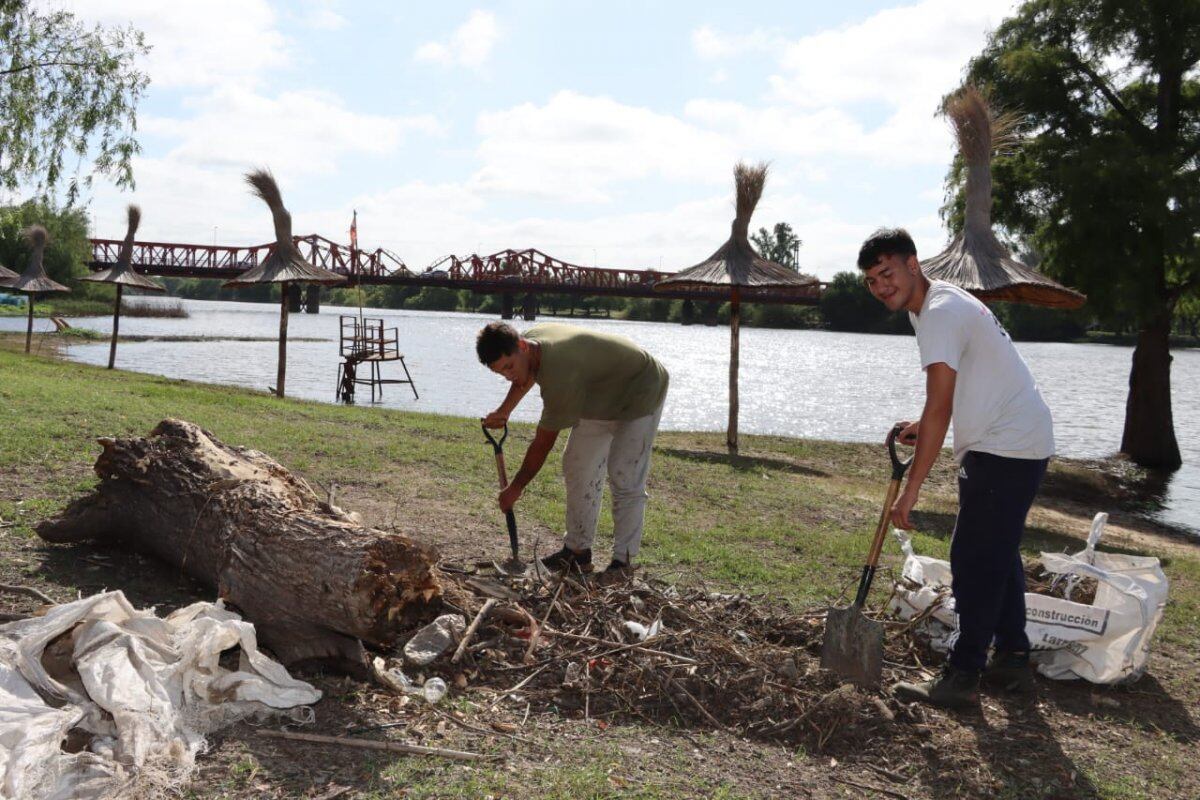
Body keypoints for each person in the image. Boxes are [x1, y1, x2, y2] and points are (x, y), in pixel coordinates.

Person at [856, 228, 1054, 709]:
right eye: (871, 280)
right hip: (1015, 438)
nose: (882, 285)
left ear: (913, 263)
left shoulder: (939, 312)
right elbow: (950, 392)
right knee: (998, 551)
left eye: (888, 272)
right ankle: (1011, 658)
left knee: (972, 557)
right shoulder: (930, 308)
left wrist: (912, 490)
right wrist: (920, 423)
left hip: (1005, 444)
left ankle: (963, 675)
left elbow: (941, 406)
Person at [476, 321, 669, 577]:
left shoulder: (560, 373)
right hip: (599, 395)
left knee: (624, 474)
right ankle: (577, 553)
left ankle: (624, 563)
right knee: (578, 465)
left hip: (640, 388)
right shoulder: (529, 346)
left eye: (509, 367)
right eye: (502, 373)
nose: (509, 376)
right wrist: (504, 411)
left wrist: (516, 487)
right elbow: (526, 375)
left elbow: (543, 442)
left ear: (521, 345)